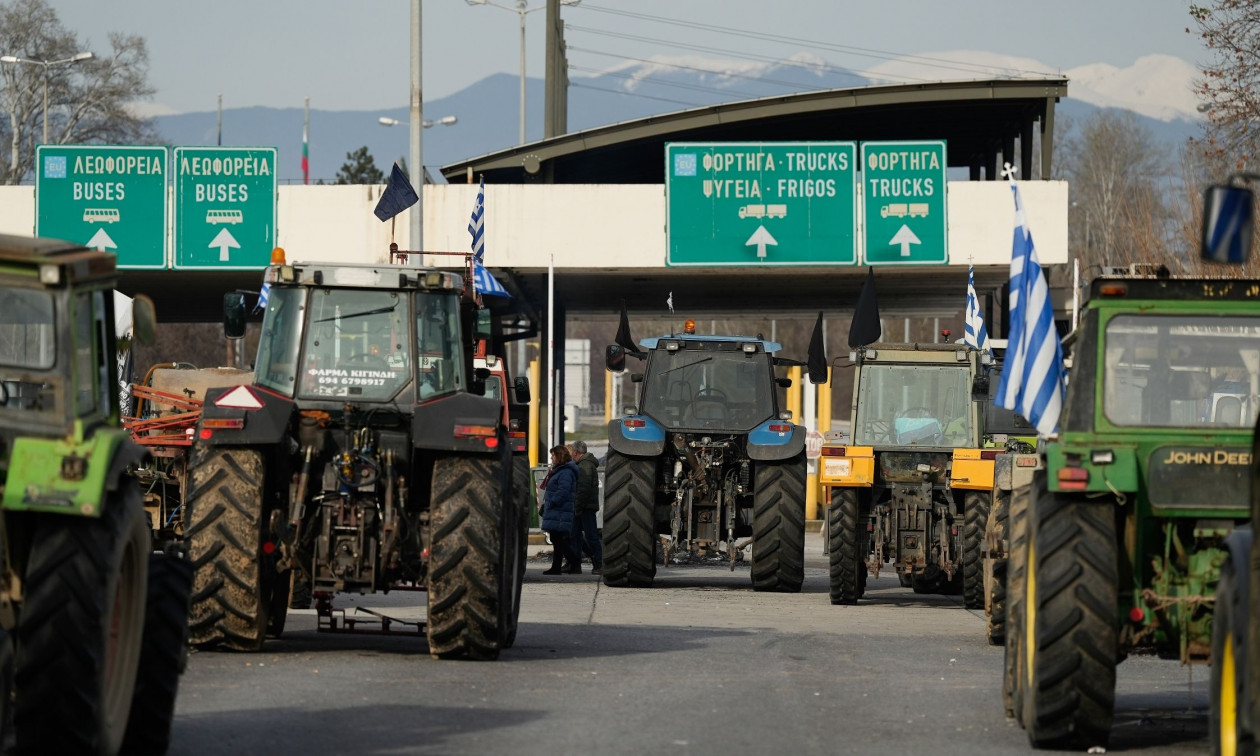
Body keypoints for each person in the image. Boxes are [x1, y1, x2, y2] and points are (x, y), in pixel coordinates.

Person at [540, 445, 581, 575]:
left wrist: (551, 503)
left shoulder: (565, 472)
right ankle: (566, 565)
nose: (551, 458)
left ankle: (571, 563)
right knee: (558, 539)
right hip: (557, 510)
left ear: (559, 456)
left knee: (559, 540)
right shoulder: (560, 471)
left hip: (560, 510)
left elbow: (563, 491)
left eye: (553, 455)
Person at [569, 440, 603, 575]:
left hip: (586, 507)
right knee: (575, 535)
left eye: (572, 451)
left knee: (591, 536)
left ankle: (599, 563)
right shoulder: (583, 464)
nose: (571, 454)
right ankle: (575, 564)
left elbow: (583, 489)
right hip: (583, 506)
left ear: (576, 452)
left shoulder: (585, 465)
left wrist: (578, 507)